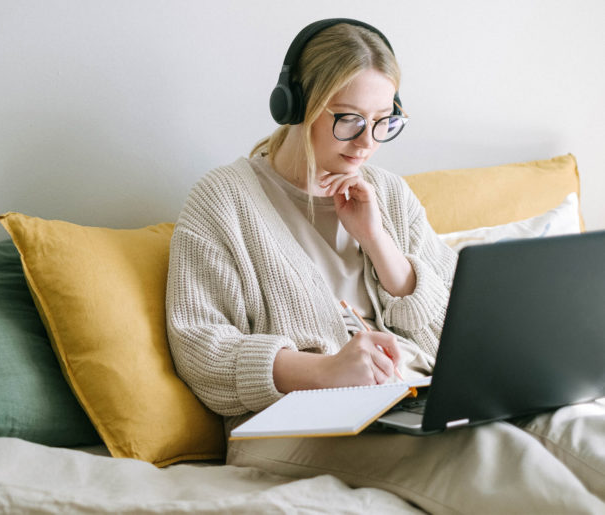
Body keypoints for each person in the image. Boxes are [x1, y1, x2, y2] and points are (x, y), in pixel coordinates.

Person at [166, 18, 605, 513]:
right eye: (349, 119)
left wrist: (379, 243)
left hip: (416, 398)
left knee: (577, 426)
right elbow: (201, 350)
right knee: (491, 457)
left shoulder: (389, 194)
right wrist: (327, 370)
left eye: (383, 121)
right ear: (294, 105)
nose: (366, 143)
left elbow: (456, 334)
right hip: (289, 425)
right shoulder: (221, 201)